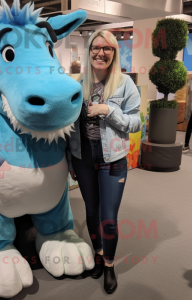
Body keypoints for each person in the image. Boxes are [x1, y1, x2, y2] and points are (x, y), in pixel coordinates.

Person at [66, 29, 141, 294]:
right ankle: (98, 255)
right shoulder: (77, 85)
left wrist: (109, 111)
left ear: (114, 53)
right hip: (83, 160)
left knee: (108, 219)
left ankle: (109, 265)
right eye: (96, 48)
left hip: (113, 161)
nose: (101, 52)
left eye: (107, 48)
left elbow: (135, 123)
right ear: (89, 52)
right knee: (90, 213)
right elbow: (69, 128)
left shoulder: (125, 84)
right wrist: (69, 160)